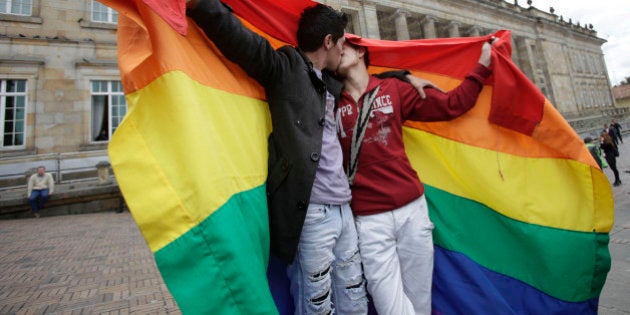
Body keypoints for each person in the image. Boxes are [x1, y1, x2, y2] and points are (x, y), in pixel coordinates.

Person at [186, 1, 435, 313]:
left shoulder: (331, 81)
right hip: (312, 212)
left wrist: (404, 75)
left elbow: (365, 78)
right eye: (342, 43)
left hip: (344, 209)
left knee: (355, 298)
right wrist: (202, 6)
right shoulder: (284, 67)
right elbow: (241, 42)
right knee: (316, 302)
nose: (344, 51)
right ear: (328, 42)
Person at [334, 35, 495, 314]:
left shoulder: (394, 88)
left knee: (420, 304)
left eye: (344, 44)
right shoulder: (330, 101)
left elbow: (453, 105)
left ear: (361, 51)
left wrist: (483, 63)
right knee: (389, 308)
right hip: (369, 221)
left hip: (412, 213)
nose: (338, 50)